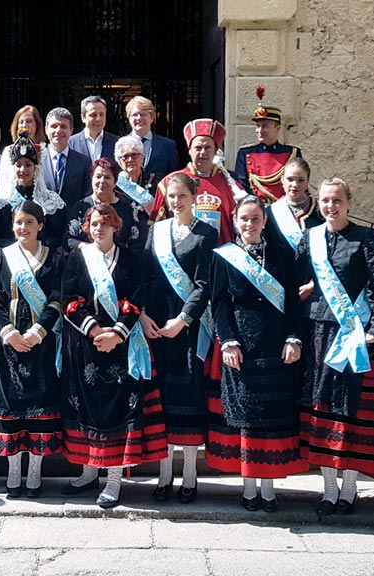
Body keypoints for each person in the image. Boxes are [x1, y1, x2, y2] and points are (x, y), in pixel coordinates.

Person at [296, 178, 374, 516]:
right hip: (318, 332)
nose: (330, 206)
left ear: (349, 203)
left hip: (354, 334)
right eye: (325, 200)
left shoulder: (366, 238)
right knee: (322, 410)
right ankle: (328, 488)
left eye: (337, 200)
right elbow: (298, 277)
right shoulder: (311, 237)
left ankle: (349, 488)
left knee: (349, 410)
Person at [61, 204, 167, 508]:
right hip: (87, 346)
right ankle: (88, 470)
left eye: (105, 223)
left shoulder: (131, 259)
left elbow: (135, 299)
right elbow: (70, 300)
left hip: (122, 347)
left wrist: (116, 334)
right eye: (94, 223)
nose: (99, 229)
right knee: (90, 409)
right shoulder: (78, 258)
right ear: (87, 227)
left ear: (115, 226)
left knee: (117, 411)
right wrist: (96, 332)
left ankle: (114, 479)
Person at [208, 196, 308, 511]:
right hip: (240, 345)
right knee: (247, 421)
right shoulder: (225, 256)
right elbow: (219, 303)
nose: (249, 225)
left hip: (276, 344)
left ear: (264, 221)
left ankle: (269, 488)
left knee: (271, 420)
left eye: (255, 219)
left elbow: (292, 301)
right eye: (243, 219)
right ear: (235, 221)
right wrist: (228, 341)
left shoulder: (282, 254)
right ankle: (249, 487)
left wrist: (294, 337)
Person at [0, 200, 64, 498]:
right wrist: (8, 332)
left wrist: (38, 331)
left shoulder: (54, 259)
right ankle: (13, 471)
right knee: (11, 410)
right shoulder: (0, 257)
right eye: (18, 222)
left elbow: (57, 298)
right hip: (6, 342)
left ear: (40, 225)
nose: (23, 228)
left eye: (29, 222)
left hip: (41, 342)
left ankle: (34, 472)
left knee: (38, 410)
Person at [139, 173, 217, 504]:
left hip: (187, 329)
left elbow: (203, 285)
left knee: (188, 401)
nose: (176, 201)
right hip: (157, 326)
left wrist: (183, 320)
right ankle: (164, 472)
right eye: (171, 196)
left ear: (193, 196)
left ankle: (189, 473)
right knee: (164, 403)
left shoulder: (206, 234)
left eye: (182, 195)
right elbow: (143, 277)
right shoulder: (155, 232)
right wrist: (141, 316)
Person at [151, 119, 245, 246]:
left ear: (215, 150)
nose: (203, 153)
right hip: (182, 258)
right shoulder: (168, 183)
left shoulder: (231, 185)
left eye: (208, 147)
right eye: (198, 148)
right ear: (189, 150)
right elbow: (157, 229)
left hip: (220, 258)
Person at [0, 131, 67, 252]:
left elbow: (56, 237)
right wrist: (16, 250)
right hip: (10, 260)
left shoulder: (52, 201)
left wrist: (36, 249)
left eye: (28, 165)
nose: (23, 170)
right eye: (18, 165)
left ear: (36, 167)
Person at [64, 158, 148, 258]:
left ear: (115, 181)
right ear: (92, 179)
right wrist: (92, 249)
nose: (102, 181)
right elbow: (68, 240)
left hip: (120, 265)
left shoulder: (129, 207)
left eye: (107, 177)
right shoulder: (80, 207)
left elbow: (138, 241)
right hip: (87, 263)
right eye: (98, 177)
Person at [233, 86, 303, 202]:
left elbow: (300, 183)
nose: (260, 130)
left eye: (265, 126)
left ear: (277, 128)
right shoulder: (245, 154)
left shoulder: (292, 153)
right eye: (258, 126)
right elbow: (242, 186)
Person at [264, 158, 323, 261]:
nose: (295, 185)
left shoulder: (320, 210)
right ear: (282, 179)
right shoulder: (270, 212)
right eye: (290, 179)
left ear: (308, 181)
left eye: (301, 180)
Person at [41, 107, 92, 208]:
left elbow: (87, 196)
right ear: (46, 130)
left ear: (71, 130)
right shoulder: (37, 161)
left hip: (73, 220)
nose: (58, 130)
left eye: (63, 126)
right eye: (54, 126)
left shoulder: (83, 162)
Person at [126, 95, 180, 186]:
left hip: (158, 198)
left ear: (152, 117)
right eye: (134, 115)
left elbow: (174, 177)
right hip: (127, 198)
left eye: (143, 114)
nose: (139, 118)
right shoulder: (120, 144)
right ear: (129, 118)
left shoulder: (168, 145)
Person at [0, 105, 46, 192]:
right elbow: (3, 182)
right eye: (21, 122)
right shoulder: (8, 150)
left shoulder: (45, 150)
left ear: (37, 125)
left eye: (29, 121)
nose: (24, 125)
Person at [68, 95, 119, 162]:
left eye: (101, 114)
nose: (98, 119)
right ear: (83, 117)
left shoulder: (117, 143)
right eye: (93, 115)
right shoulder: (70, 143)